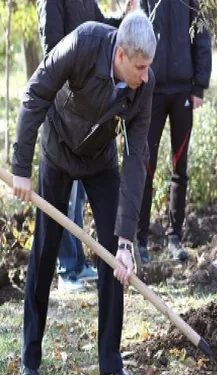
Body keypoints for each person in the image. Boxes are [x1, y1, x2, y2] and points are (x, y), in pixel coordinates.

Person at [12, 11, 156, 375]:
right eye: (140, 67)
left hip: (99, 160)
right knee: (45, 252)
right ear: (121, 55)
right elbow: (36, 92)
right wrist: (21, 168)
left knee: (112, 256)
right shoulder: (82, 43)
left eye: (148, 68)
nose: (145, 76)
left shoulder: (143, 83)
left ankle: (110, 361)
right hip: (58, 151)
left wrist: (127, 240)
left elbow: (137, 156)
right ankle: (30, 358)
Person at [36, 0, 134, 293]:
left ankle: (76, 263)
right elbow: (52, 50)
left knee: (76, 200)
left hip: (88, 112)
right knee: (64, 203)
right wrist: (78, 76)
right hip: (66, 113)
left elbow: (102, 26)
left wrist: (123, 20)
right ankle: (67, 269)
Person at [136, 0, 212, 264]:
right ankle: (139, 240)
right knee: (146, 165)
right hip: (152, 90)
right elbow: (137, 29)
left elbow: (201, 31)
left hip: (183, 90)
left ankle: (174, 238)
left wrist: (199, 85)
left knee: (180, 166)